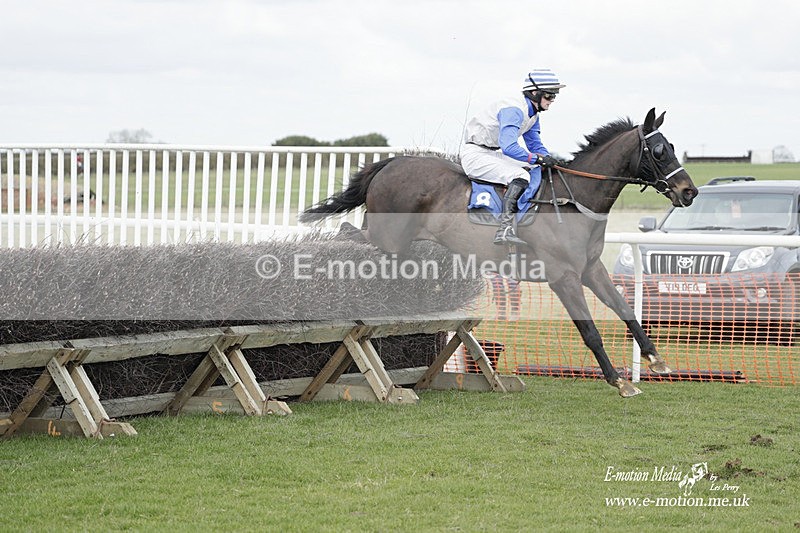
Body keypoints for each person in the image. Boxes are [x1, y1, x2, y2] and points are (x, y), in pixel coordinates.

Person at [461, 69, 565, 245]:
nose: (552, 101)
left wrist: (548, 159)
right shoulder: (514, 109)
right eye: (549, 96)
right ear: (534, 92)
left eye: (554, 96)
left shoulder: (533, 113)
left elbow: (534, 145)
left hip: (493, 153)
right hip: (476, 154)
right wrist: (537, 158)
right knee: (521, 175)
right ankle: (505, 228)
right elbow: (509, 147)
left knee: (536, 168)